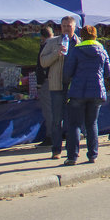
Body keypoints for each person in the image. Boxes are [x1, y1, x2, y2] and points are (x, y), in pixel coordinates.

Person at [62, 24, 110, 165]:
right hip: (96, 91)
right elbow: (109, 72)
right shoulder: (102, 50)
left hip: (78, 91)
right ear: (95, 35)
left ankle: (72, 156)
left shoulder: (76, 51)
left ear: (82, 36)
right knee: (92, 123)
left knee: (74, 125)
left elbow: (67, 72)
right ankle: (92, 155)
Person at [39, 16, 78, 160]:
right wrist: (56, 53)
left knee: (73, 120)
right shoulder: (52, 42)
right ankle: (56, 149)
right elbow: (43, 62)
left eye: (69, 26)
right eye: (64, 26)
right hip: (57, 85)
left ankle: (72, 149)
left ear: (74, 27)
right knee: (56, 120)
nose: (66, 28)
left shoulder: (80, 43)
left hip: (74, 87)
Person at [34, 26, 53, 146]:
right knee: (55, 109)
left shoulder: (46, 46)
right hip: (55, 80)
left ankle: (50, 135)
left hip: (47, 81)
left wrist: (39, 84)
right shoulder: (57, 44)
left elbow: (41, 66)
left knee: (48, 110)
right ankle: (55, 133)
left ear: (42, 36)